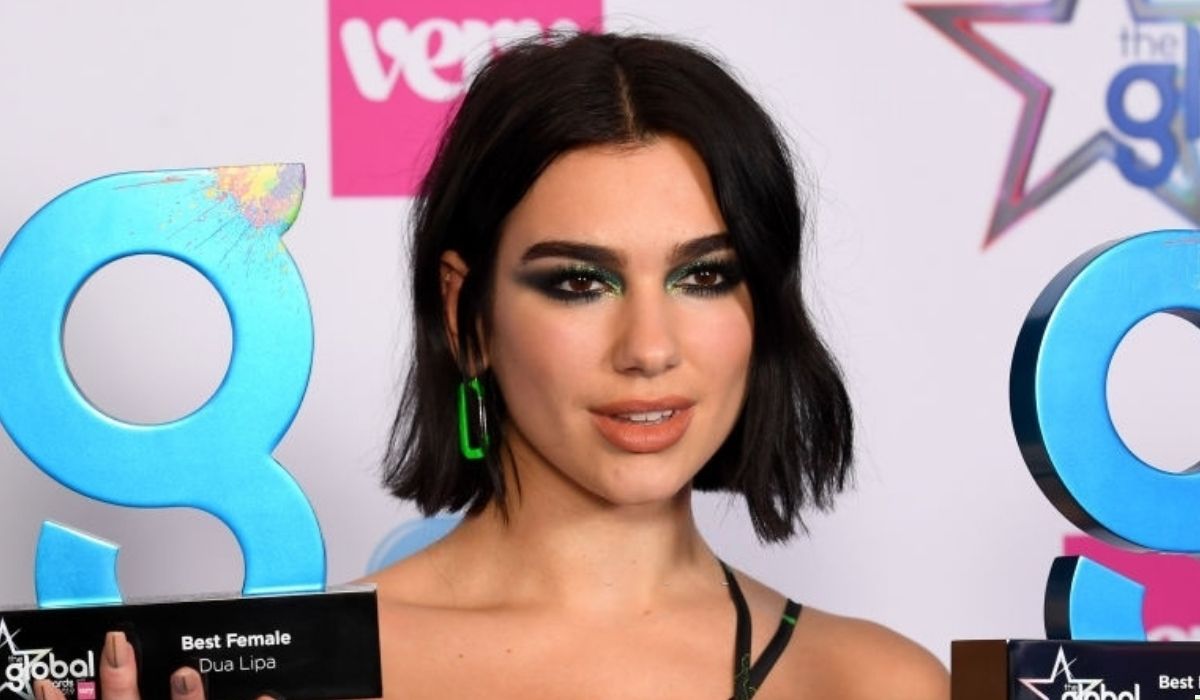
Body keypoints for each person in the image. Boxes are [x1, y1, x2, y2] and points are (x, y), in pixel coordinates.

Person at [37, 31, 949, 700]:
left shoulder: (876, 683)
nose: (649, 348)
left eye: (704, 276)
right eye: (579, 282)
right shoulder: (296, 675)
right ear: (464, 314)